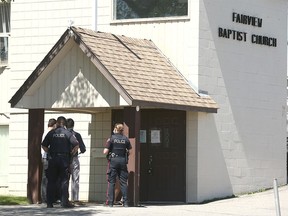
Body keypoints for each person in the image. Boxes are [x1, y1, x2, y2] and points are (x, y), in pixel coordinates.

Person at [41, 116, 79, 208]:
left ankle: (49, 203)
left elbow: (44, 145)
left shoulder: (51, 133)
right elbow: (76, 144)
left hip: (53, 159)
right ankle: (64, 202)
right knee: (64, 181)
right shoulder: (67, 133)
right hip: (64, 159)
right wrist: (72, 153)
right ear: (64, 124)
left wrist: (49, 153)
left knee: (51, 181)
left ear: (57, 123)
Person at [103, 123, 132, 207]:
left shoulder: (111, 139)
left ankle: (111, 202)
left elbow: (105, 151)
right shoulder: (125, 139)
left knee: (112, 182)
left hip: (113, 161)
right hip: (123, 161)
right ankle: (126, 202)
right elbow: (130, 152)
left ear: (115, 129)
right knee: (123, 182)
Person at [66, 118, 86, 204]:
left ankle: (64, 197)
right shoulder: (77, 135)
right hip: (74, 158)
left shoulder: (63, 134)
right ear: (73, 125)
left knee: (64, 179)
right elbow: (83, 148)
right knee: (75, 178)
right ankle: (75, 198)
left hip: (64, 158)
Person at [40, 118, 56, 203]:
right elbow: (45, 145)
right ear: (54, 125)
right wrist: (50, 152)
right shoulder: (49, 133)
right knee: (46, 178)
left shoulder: (45, 132)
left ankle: (46, 197)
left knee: (47, 177)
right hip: (46, 157)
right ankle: (45, 197)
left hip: (45, 157)